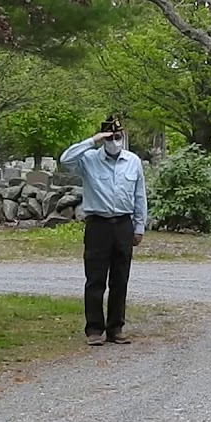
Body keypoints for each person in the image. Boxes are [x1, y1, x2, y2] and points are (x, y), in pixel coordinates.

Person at [59, 116, 148, 346]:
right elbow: (65, 159)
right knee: (95, 279)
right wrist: (93, 140)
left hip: (123, 224)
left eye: (118, 137)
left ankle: (116, 328)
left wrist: (139, 226)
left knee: (120, 279)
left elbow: (139, 195)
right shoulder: (89, 159)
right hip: (98, 225)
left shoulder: (133, 161)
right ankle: (94, 330)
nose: (114, 141)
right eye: (110, 138)